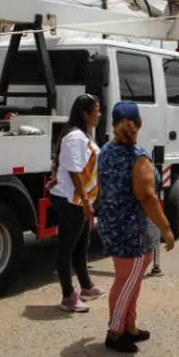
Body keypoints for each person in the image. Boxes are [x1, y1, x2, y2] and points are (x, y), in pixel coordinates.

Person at [98, 101, 175, 353]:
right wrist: (166, 228)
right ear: (139, 124)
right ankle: (115, 332)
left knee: (130, 279)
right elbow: (148, 198)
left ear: (112, 123)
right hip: (132, 230)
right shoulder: (137, 157)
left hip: (112, 223)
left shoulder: (105, 151)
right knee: (126, 281)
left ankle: (129, 325)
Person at [49, 94, 106, 312]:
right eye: (97, 110)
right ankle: (67, 296)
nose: (99, 114)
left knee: (82, 244)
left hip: (80, 199)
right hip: (71, 200)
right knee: (66, 246)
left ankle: (86, 287)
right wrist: (85, 201)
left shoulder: (85, 136)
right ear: (86, 113)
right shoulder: (75, 138)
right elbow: (75, 172)